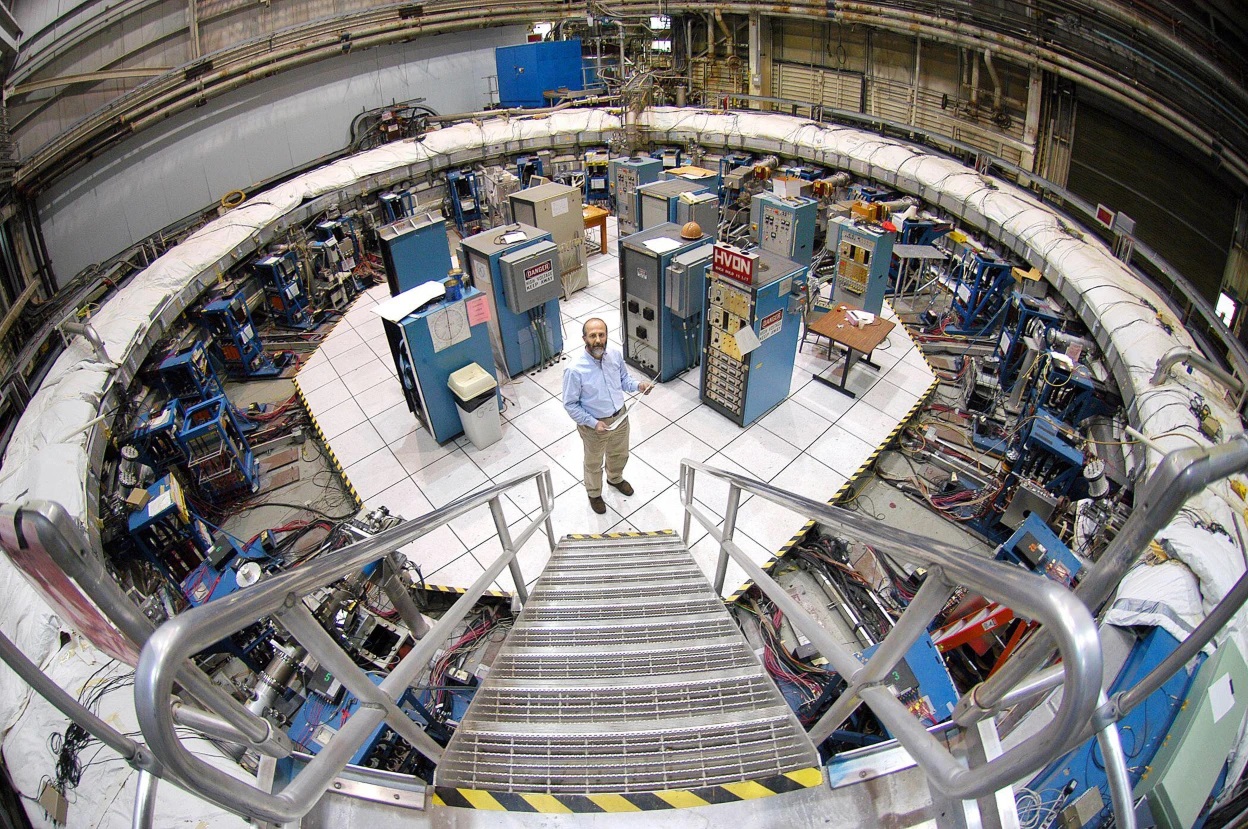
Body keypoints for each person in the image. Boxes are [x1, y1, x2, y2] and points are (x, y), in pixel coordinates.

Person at [562, 317, 654, 514]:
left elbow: (623, 380)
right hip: (594, 426)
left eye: (601, 335)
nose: (597, 340)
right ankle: (594, 493)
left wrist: (639, 386)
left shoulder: (614, 355)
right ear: (584, 338)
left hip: (620, 417)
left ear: (606, 336)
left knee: (620, 453)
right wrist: (593, 423)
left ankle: (615, 478)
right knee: (594, 462)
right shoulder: (574, 369)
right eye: (593, 335)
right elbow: (570, 404)